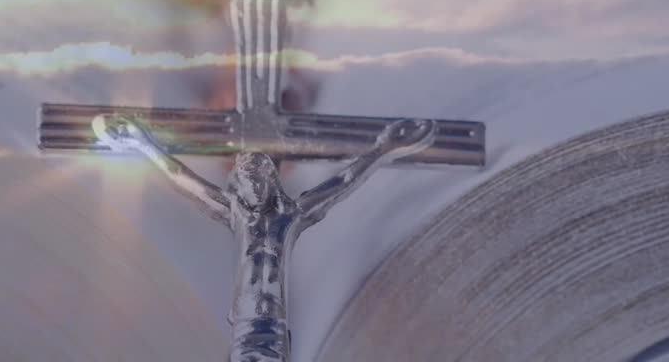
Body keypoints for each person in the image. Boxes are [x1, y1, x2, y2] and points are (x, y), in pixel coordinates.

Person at [93, 112, 437, 362]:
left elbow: (343, 182)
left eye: (260, 175)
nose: (255, 184)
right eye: (247, 177)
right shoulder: (235, 213)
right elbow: (182, 179)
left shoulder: (291, 216)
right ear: (239, 185)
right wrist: (143, 144)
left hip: (273, 329)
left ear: (272, 180)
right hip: (244, 328)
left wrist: (385, 149)